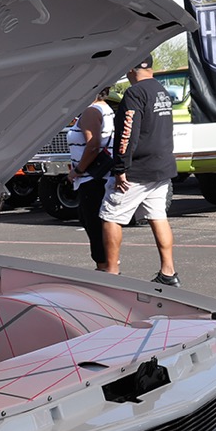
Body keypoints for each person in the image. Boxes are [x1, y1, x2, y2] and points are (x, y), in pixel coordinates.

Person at [101, 56, 180, 287]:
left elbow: (128, 132)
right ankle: (169, 272)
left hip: (138, 169)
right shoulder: (161, 91)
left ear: (131, 69)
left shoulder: (134, 93)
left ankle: (111, 273)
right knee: (158, 216)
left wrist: (120, 167)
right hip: (161, 166)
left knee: (110, 215)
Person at [65, 87, 116, 271]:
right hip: (100, 176)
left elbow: (93, 144)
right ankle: (108, 266)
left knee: (94, 225)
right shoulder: (105, 108)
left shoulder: (91, 111)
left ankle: (104, 269)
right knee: (94, 222)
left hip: (92, 178)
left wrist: (78, 170)